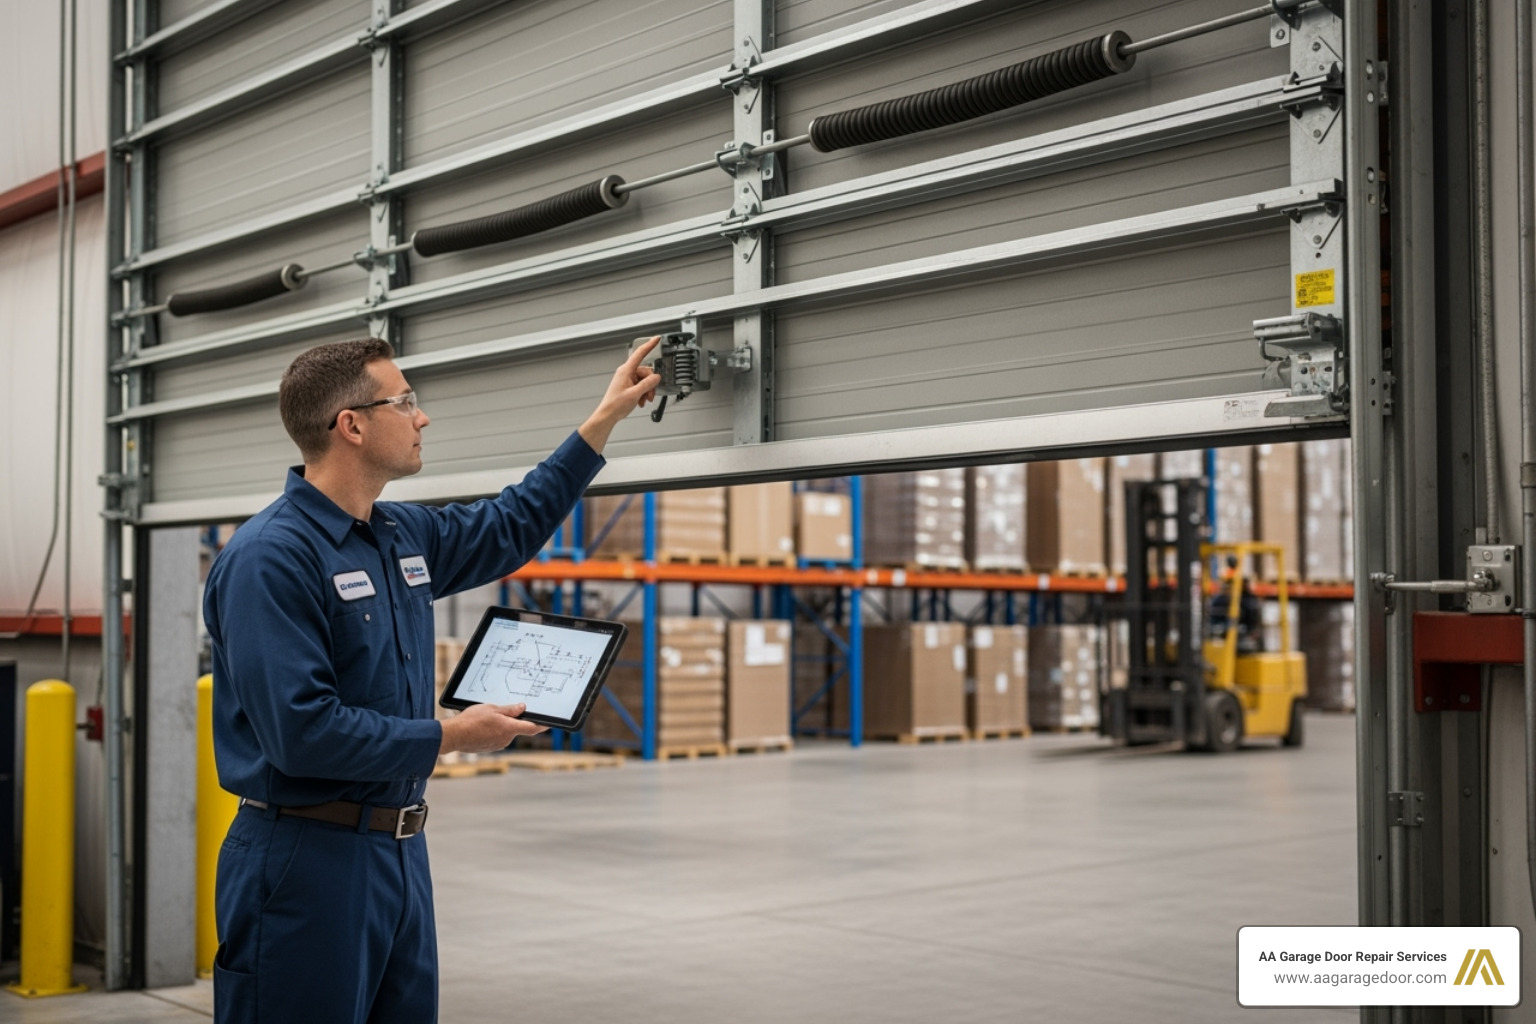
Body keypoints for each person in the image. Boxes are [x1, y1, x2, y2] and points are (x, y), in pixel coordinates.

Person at [202, 336, 660, 1024]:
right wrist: (452, 736)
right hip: (304, 859)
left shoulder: (397, 534)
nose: (423, 417)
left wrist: (601, 422)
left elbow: (508, 525)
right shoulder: (271, 558)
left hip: (399, 852)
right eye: (405, 401)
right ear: (351, 425)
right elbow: (303, 734)